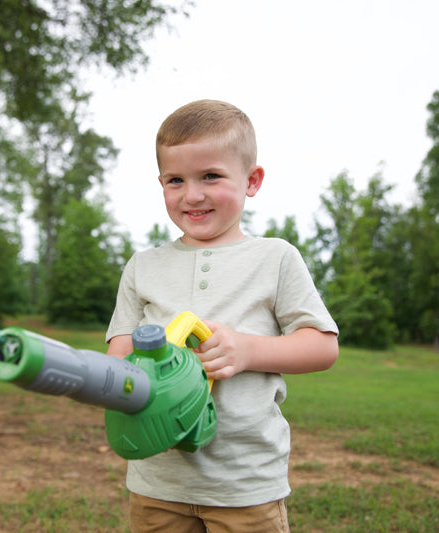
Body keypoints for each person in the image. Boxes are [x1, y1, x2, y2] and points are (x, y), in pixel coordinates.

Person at [105, 99, 339, 533]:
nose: (192, 194)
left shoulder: (275, 258)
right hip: (158, 482)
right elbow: (119, 354)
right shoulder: (143, 266)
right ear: (161, 184)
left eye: (210, 176)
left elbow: (322, 346)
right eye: (175, 180)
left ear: (252, 181)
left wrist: (247, 350)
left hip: (244, 483)